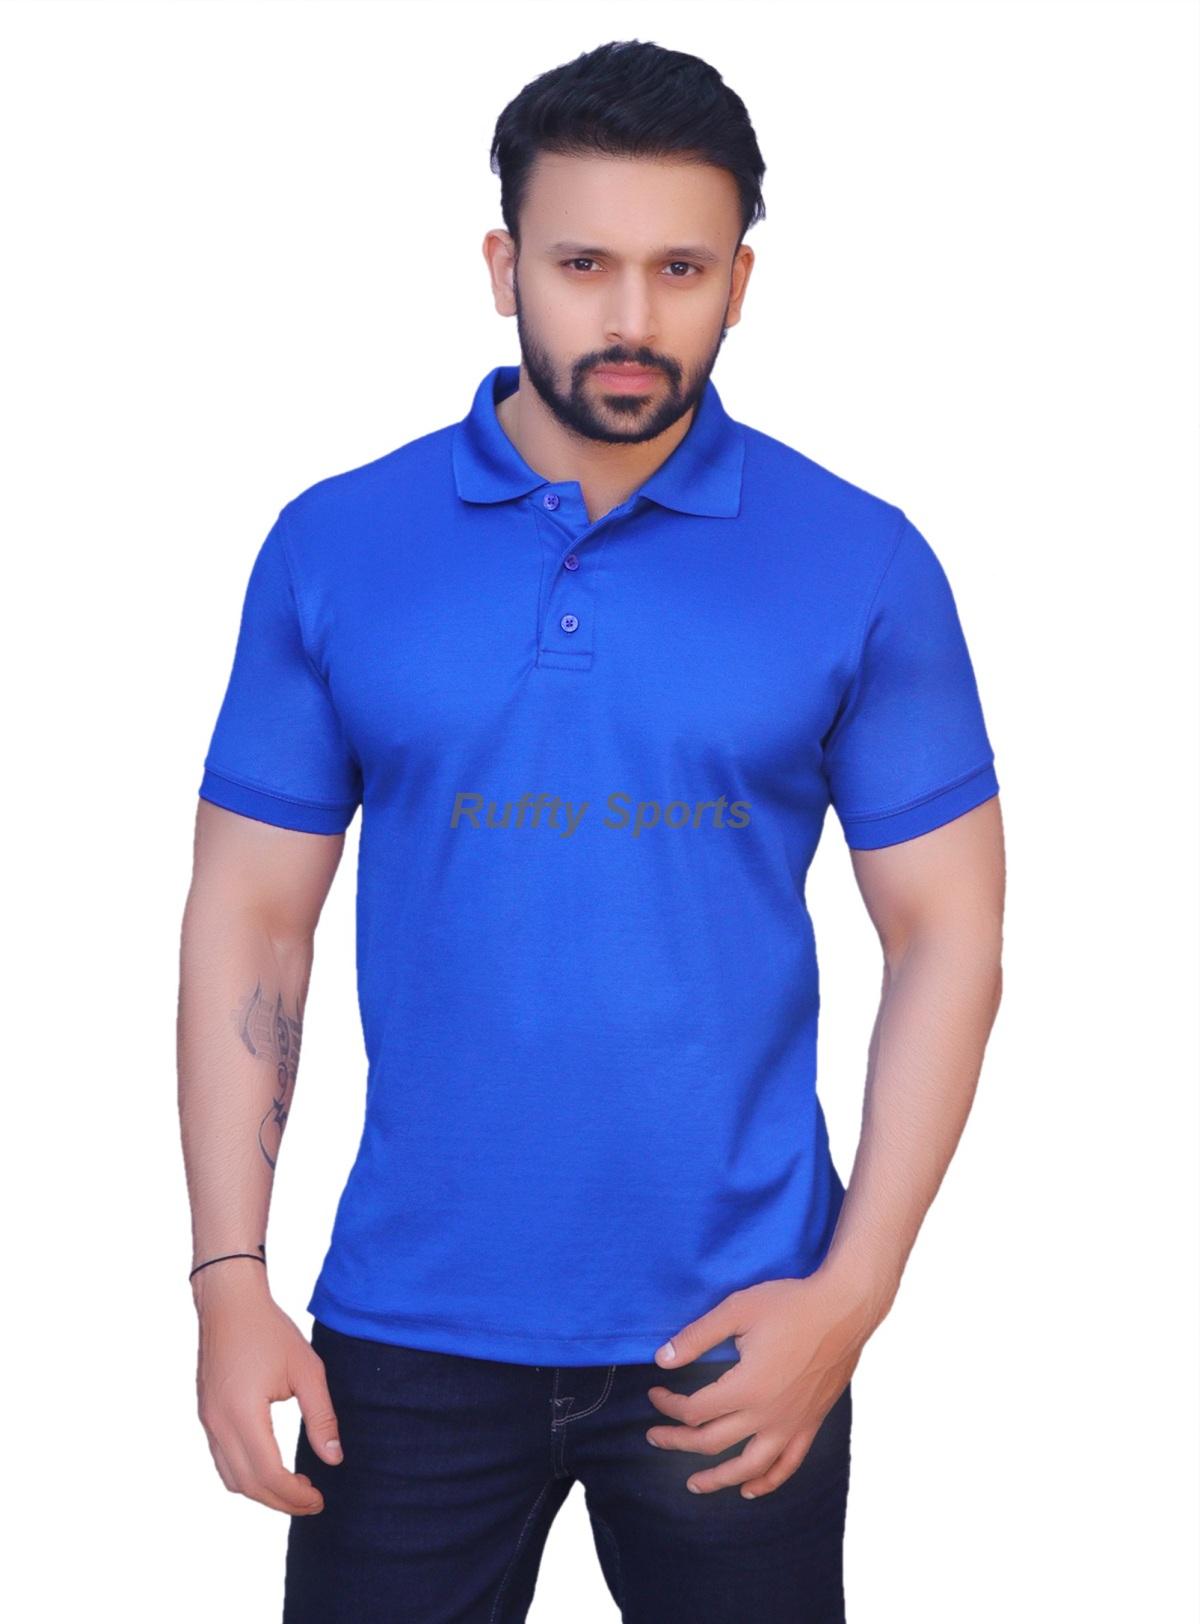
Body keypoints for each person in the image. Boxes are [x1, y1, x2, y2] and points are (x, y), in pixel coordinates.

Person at [178, 37, 1005, 1624]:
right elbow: (251, 917)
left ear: (740, 283)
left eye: (680, 268)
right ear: (504, 268)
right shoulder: (335, 545)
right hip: (408, 1329)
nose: (631, 317)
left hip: (742, 1331)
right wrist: (229, 1279)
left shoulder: (862, 561)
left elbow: (948, 933)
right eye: (582, 265)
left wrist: (853, 1295)